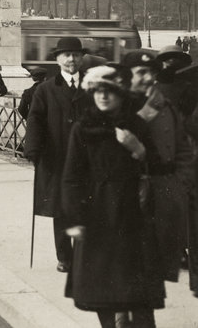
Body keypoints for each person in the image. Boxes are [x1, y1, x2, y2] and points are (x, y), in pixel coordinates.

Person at [62, 64, 165, 327]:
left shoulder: (136, 125)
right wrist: (75, 219)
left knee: (137, 294)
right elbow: (72, 178)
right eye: (98, 91)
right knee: (103, 293)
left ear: (121, 93)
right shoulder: (83, 128)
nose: (103, 96)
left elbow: (159, 166)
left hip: (133, 215)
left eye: (109, 91)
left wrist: (138, 148)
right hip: (97, 216)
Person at [123, 49, 193, 285]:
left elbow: (182, 149)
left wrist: (180, 184)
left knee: (157, 269)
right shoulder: (114, 106)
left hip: (164, 193)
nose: (148, 78)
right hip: (128, 194)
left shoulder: (166, 106)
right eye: (141, 72)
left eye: (152, 73)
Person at [24, 36, 92, 273]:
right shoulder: (45, 89)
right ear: (58, 59)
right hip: (58, 158)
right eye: (66, 55)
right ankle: (65, 257)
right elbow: (35, 120)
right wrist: (33, 149)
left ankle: (84, 256)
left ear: (82, 58)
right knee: (61, 209)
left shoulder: (92, 86)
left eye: (76, 55)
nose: (71, 59)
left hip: (87, 160)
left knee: (86, 207)